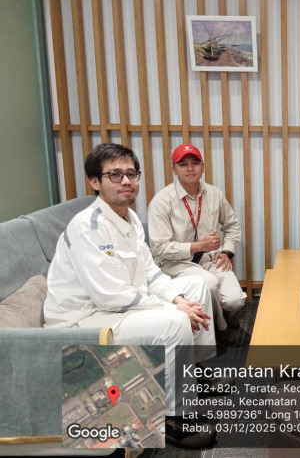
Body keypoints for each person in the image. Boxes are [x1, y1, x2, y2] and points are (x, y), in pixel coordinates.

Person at [44, 144, 217, 449]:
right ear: (95, 182)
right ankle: (174, 418)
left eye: (131, 174)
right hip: (86, 318)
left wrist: (179, 299)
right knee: (176, 322)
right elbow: (112, 297)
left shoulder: (131, 218)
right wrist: (176, 309)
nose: (126, 181)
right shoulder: (88, 228)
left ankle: (193, 372)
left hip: (118, 304)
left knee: (196, 287)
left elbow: (150, 273)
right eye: (115, 175)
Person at [148, 144, 246, 344]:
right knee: (209, 284)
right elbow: (159, 248)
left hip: (210, 259)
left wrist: (227, 252)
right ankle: (222, 328)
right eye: (183, 164)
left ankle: (224, 314)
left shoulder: (214, 193)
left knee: (235, 300)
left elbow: (232, 225)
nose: (190, 168)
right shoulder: (161, 201)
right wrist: (198, 246)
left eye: (195, 163)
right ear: (174, 169)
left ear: (203, 166)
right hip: (176, 263)